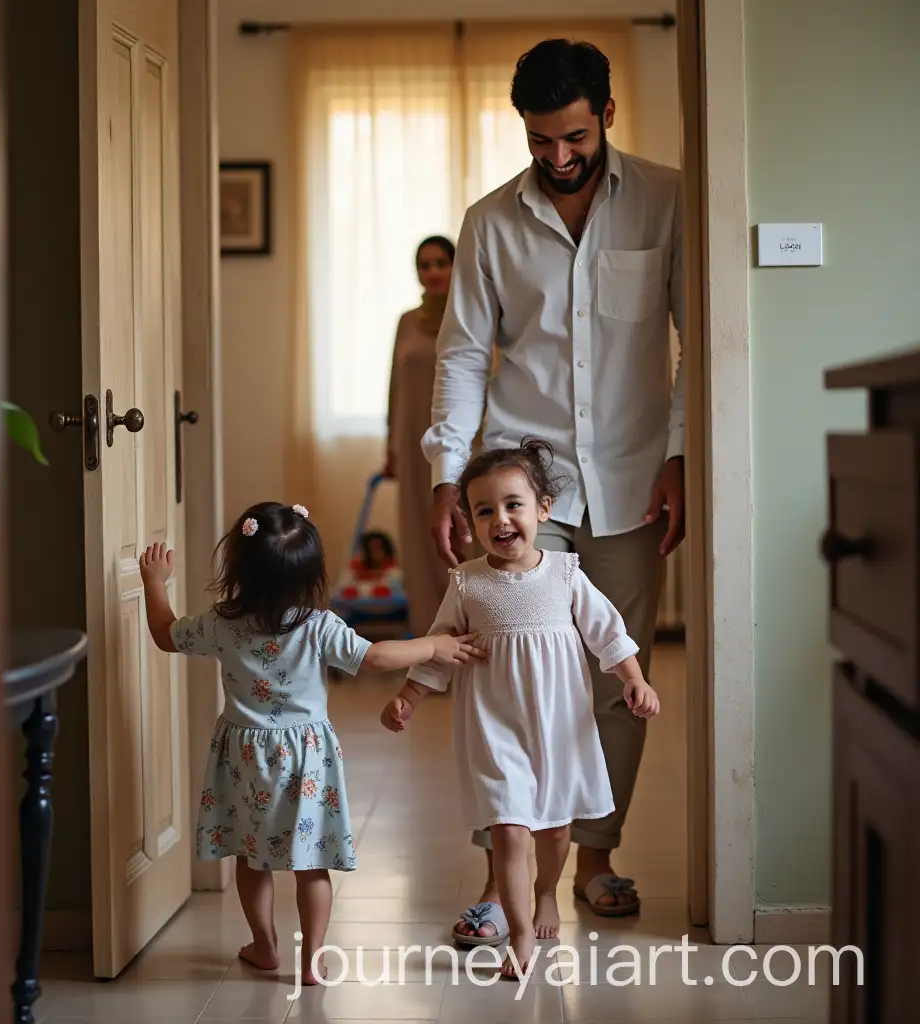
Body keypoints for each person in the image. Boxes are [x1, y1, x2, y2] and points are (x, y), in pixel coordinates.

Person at [422, 38, 685, 937]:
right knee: (504, 677)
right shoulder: (490, 222)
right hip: (519, 486)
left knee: (615, 674)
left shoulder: (670, 197)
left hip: (632, 480)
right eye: (540, 141)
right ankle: (504, 886)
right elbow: (462, 353)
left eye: (574, 137)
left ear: (607, 114)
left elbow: (700, 340)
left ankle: (598, 858)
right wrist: (444, 474)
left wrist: (681, 455)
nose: (559, 158)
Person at [137, 502, 485, 987]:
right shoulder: (318, 626)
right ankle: (313, 959)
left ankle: (264, 945)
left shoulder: (220, 623)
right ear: (309, 574)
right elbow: (378, 658)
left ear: (238, 566)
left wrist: (155, 582)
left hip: (244, 757)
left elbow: (164, 634)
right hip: (307, 757)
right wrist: (433, 647)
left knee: (251, 859)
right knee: (311, 863)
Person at [380, 439, 660, 977]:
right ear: (470, 521)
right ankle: (522, 931)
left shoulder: (564, 573)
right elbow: (440, 647)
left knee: (555, 830)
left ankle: (547, 892)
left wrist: (635, 680)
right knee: (508, 828)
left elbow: (609, 634)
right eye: (485, 510)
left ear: (543, 511)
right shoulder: (467, 582)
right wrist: (408, 698)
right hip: (494, 725)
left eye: (514, 505)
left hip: (558, 725)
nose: (501, 519)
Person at [385, 235, 458, 638]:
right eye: (425, 265)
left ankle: (471, 636)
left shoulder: (469, 314)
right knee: (419, 539)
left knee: (461, 538)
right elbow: (394, 386)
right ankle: (432, 643)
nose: (432, 272)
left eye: (440, 264)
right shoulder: (407, 321)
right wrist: (390, 446)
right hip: (413, 446)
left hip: (461, 445)